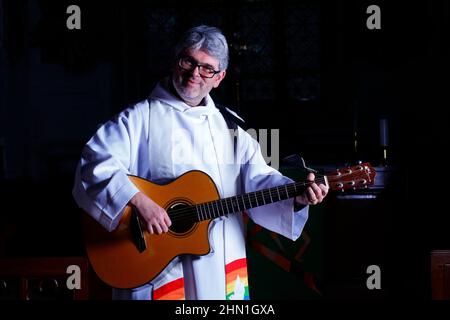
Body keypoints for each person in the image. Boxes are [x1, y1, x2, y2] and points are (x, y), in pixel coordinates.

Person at [72, 25, 329, 300]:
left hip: (221, 259)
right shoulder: (137, 119)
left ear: (219, 78)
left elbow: (259, 178)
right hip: (154, 260)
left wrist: (297, 197)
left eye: (207, 68)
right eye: (189, 61)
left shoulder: (231, 125)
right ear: (176, 61)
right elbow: (93, 164)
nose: (195, 73)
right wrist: (139, 201)